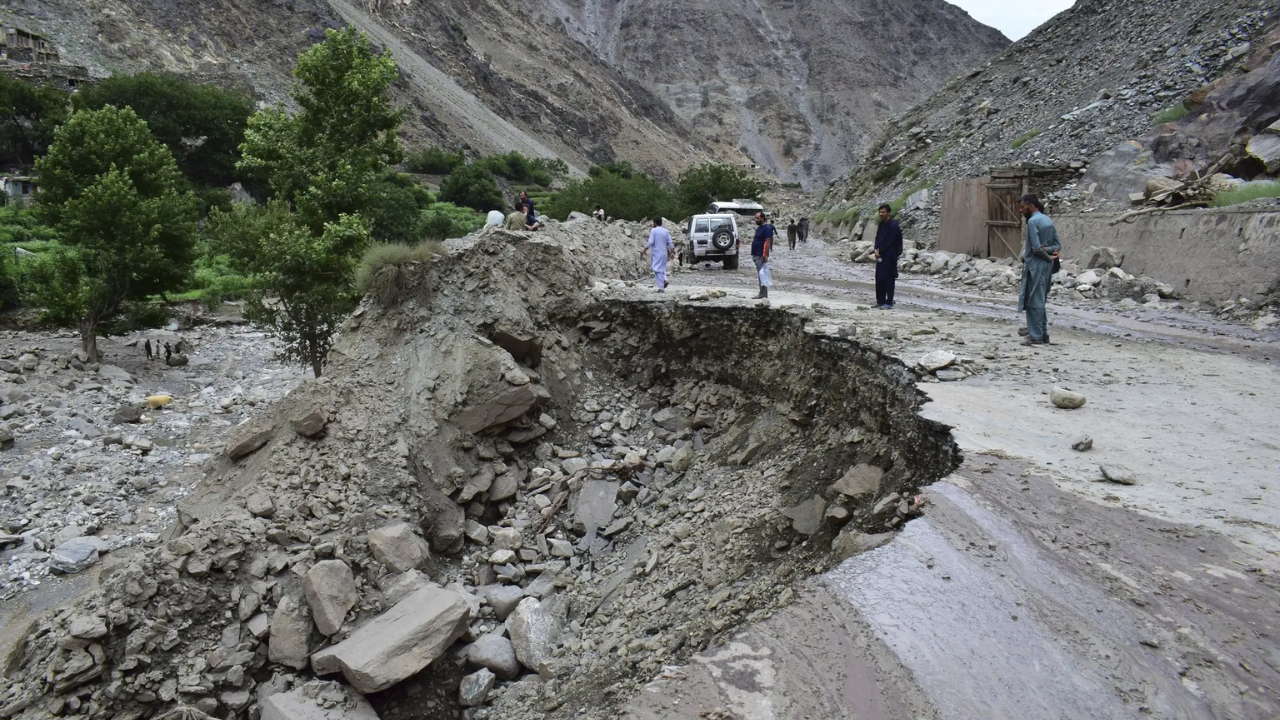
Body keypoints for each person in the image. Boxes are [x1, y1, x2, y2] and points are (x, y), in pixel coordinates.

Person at [1017, 194, 1061, 345]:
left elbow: (1035, 248)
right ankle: (1041, 333)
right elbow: (1057, 245)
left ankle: (1035, 336)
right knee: (1039, 298)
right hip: (1046, 266)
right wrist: (1050, 252)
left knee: (1034, 300)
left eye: (1023, 207)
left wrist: (1047, 256)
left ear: (1031, 205)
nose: (1021, 210)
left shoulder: (1032, 222)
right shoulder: (1047, 220)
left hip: (1036, 265)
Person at [873, 204, 903, 309]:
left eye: (883, 212)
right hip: (880, 254)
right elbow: (877, 238)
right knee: (879, 277)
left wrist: (879, 251)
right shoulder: (881, 225)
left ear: (888, 213)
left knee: (888, 278)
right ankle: (880, 301)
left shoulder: (893, 226)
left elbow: (889, 242)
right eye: (880, 212)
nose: (881, 214)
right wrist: (876, 249)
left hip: (890, 254)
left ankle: (889, 302)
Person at [640, 217, 675, 292]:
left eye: (653, 223)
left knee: (656, 269)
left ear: (655, 223)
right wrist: (672, 251)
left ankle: (661, 288)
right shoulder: (665, 231)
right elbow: (670, 242)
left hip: (657, 252)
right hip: (664, 253)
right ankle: (665, 279)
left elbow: (651, 242)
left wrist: (644, 249)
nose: (653, 224)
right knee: (662, 268)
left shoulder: (654, 230)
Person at [751, 211, 774, 299]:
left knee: (761, 274)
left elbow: (767, 242)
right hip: (756, 253)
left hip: (761, 254)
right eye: (755, 218)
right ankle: (763, 293)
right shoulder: (759, 228)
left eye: (757, 218)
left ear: (763, 218)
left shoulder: (767, 228)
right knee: (761, 273)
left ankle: (762, 293)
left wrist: (765, 254)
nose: (756, 220)